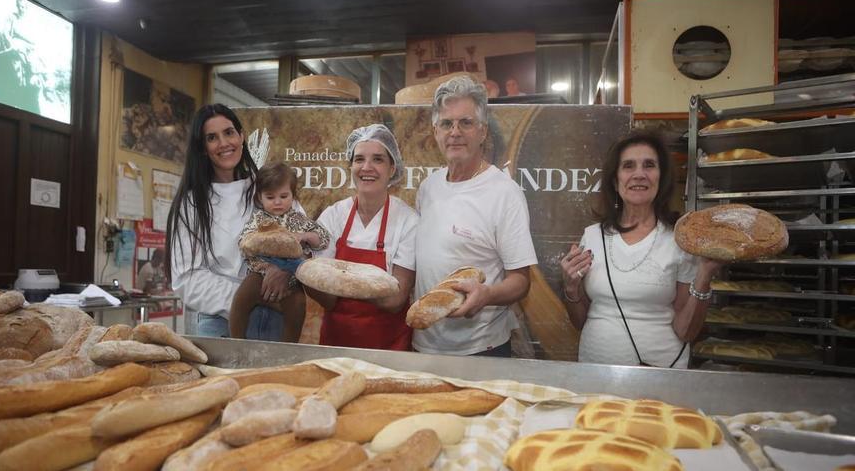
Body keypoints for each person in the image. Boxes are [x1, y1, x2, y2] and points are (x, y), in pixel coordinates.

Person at [560, 131, 723, 368]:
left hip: (660, 375)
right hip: (594, 373)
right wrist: (571, 288)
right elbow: (580, 321)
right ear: (615, 181)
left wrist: (705, 275)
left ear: (661, 177)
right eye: (628, 166)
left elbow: (686, 331)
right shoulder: (592, 236)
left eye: (649, 165)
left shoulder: (680, 240)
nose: (639, 174)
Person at [413, 76, 537, 357]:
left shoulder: (505, 192)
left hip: (482, 348)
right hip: (424, 344)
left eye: (465, 123)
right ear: (435, 132)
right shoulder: (428, 188)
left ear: (483, 132)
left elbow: (521, 280)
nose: (455, 132)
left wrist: (488, 295)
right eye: (446, 123)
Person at [166, 103, 289, 339]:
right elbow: (187, 278)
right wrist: (250, 297)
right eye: (212, 138)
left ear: (242, 136)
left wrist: (287, 271)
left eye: (229, 132)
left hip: (275, 317)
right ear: (203, 148)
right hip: (220, 324)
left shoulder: (268, 189)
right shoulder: (191, 204)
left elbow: (299, 237)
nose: (224, 143)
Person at [309, 124, 418, 350]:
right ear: (350, 167)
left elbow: (394, 301)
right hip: (336, 345)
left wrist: (338, 281)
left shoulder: (408, 221)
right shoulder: (333, 215)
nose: (366, 167)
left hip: (389, 349)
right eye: (359, 159)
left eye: (378, 159)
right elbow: (326, 298)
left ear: (392, 168)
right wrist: (299, 267)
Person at [228, 162, 330, 343]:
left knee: (298, 306)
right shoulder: (259, 219)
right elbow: (244, 242)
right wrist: (260, 241)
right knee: (240, 299)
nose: (277, 202)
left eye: (284, 196)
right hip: (259, 274)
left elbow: (323, 239)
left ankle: (288, 347)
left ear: (293, 196)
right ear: (259, 198)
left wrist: (305, 236)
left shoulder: (300, 220)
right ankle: (236, 342)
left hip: (292, 279)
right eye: (270, 197)